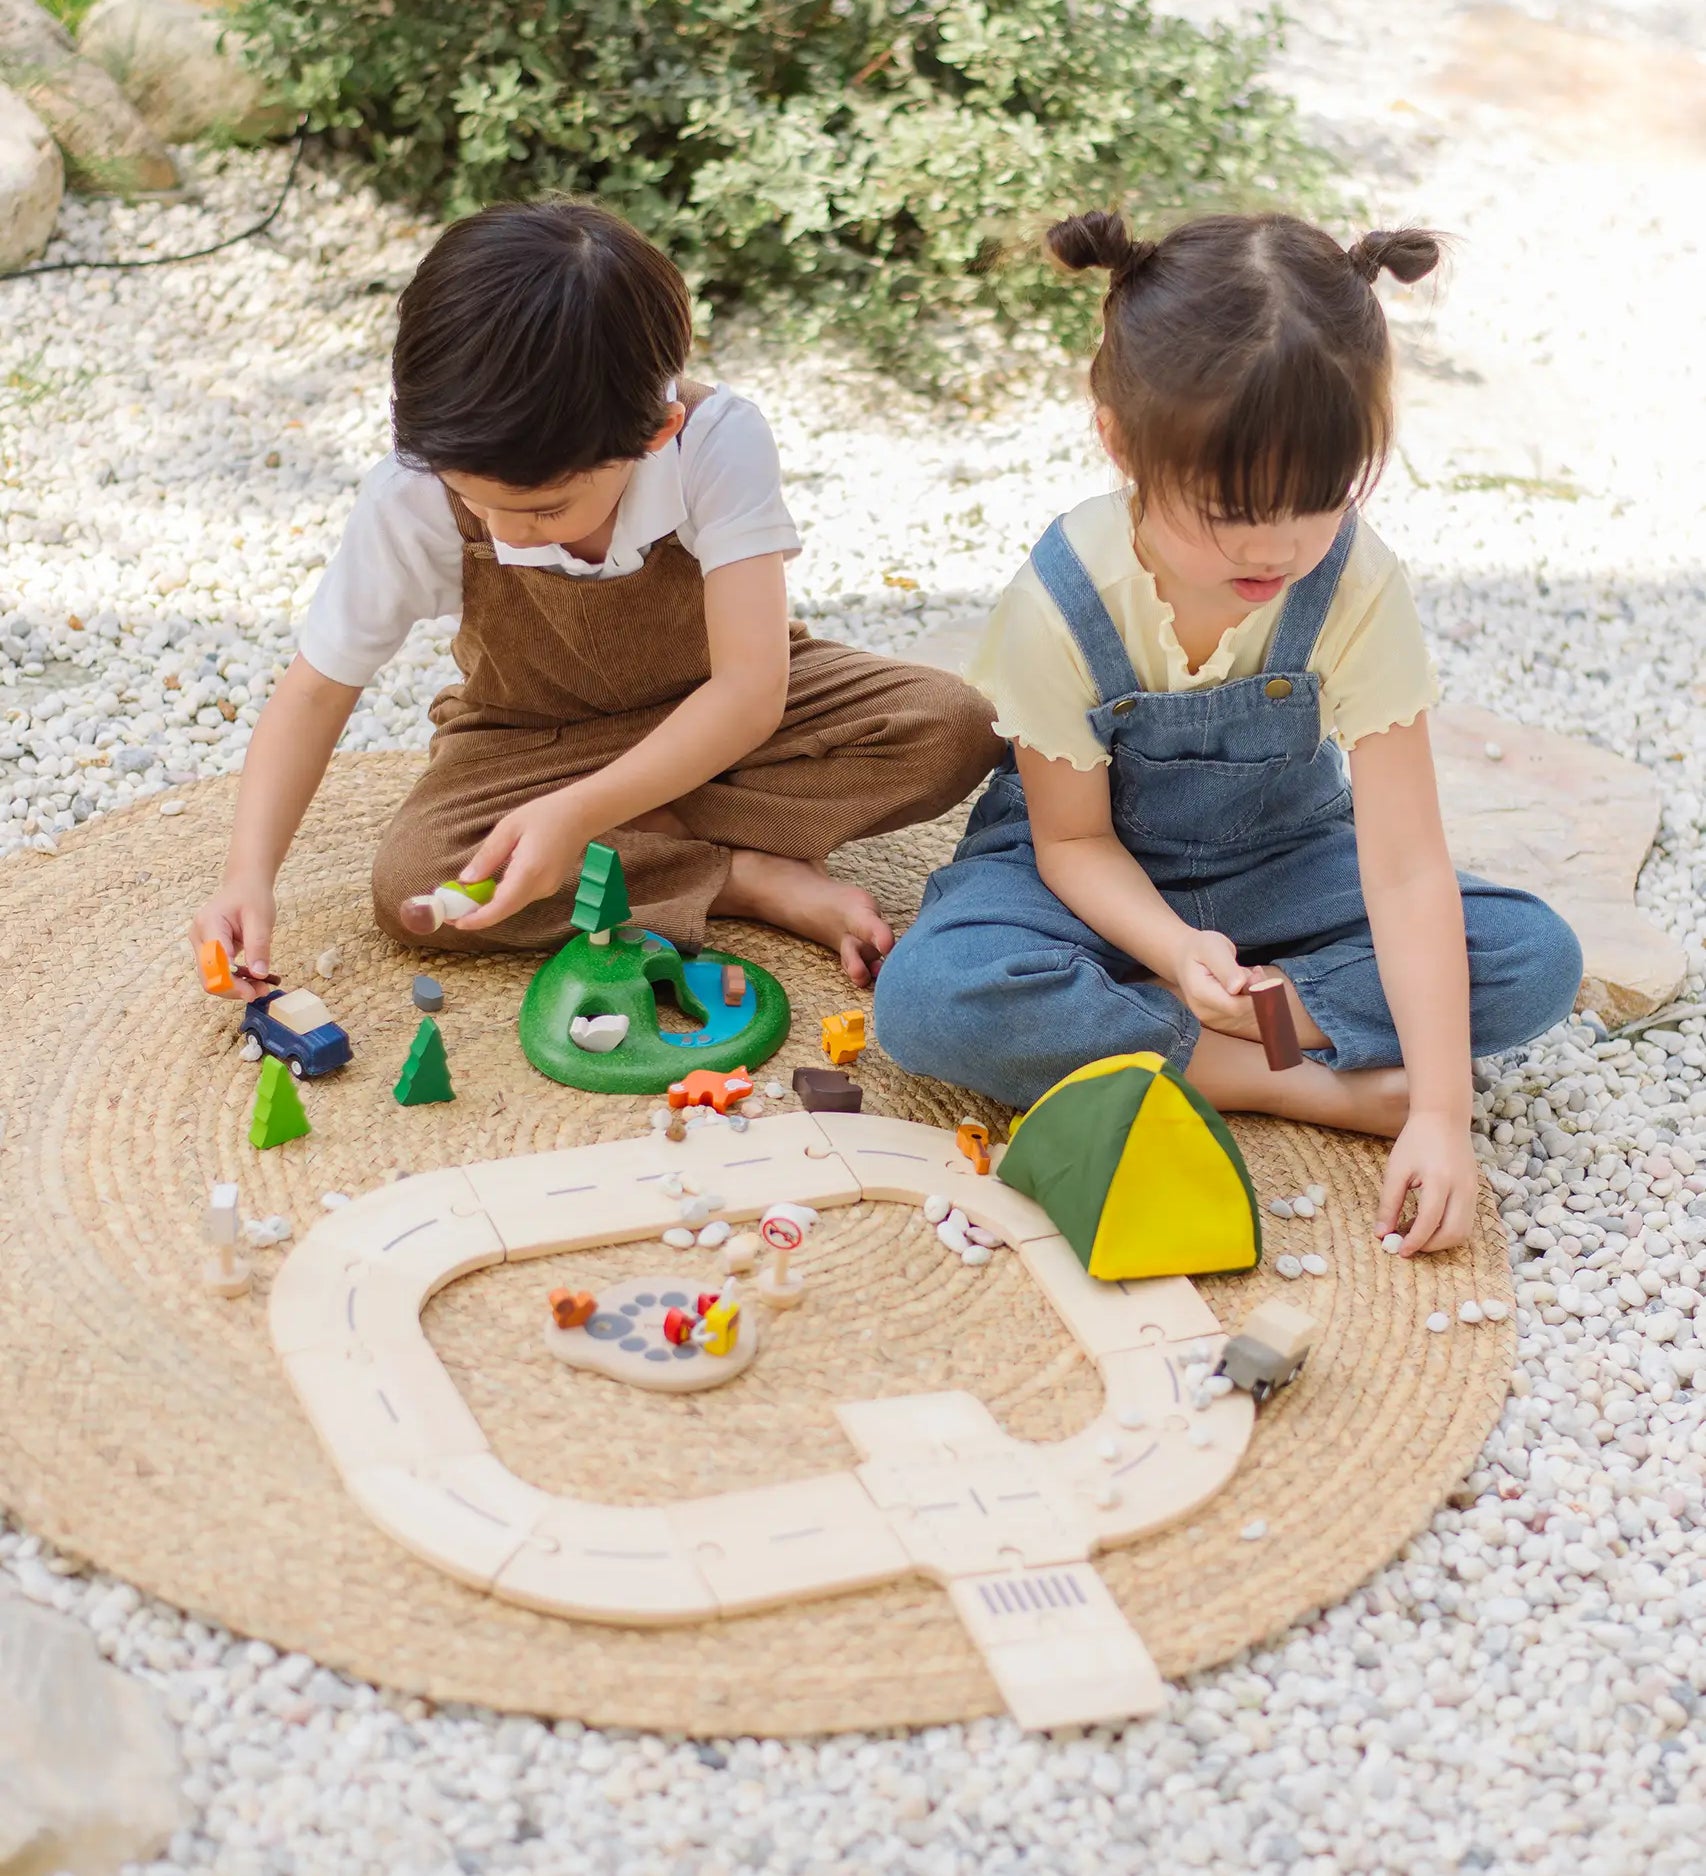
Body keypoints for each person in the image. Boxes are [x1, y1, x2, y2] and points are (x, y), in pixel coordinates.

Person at [874, 210, 1582, 1254]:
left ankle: (1141, 1027)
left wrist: (1438, 1114)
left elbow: (1400, 865)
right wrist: (1170, 948)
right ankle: (1278, 1076)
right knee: (931, 1000)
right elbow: (1069, 842)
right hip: (1081, 877)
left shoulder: (1353, 583)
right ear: (1119, 441)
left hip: (1280, 862)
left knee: (1531, 956)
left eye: (1318, 499)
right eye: (1228, 507)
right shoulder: (1065, 596)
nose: (1277, 544)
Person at [190, 201, 1000, 990]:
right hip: (531, 739)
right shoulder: (410, 496)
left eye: (546, 508)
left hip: (726, 712)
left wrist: (579, 818)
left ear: (654, 433)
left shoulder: (714, 442)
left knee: (954, 729)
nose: (512, 529)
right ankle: (738, 876)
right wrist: (246, 875)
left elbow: (752, 693)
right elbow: (315, 690)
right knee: (416, 886)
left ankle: (632, 839)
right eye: (479, 501)